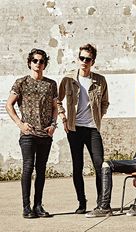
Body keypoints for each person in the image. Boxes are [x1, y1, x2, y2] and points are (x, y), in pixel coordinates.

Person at [5, 49, 58, 218]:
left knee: (41, 170)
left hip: (45, 134)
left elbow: (55, 107)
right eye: (35, 60)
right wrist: (20, 124)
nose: (38, 64)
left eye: (41, 61)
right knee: (28, 168)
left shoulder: (51, 84)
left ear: (45, 64)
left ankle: (38, 206)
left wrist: (53, 125)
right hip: (28, 134)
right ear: (30, 62)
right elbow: (9, 105)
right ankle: (26, 207)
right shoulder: (21, 83)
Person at [57, 43, 109, 214]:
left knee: (100, 165)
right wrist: (63, 117)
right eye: (82, 58)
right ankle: (82, 202)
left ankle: (102, 203)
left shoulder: (100, 80)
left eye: (88, 59)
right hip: (74, 129)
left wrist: (97, 118)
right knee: (77, 167)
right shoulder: (68, 79)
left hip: (93, 129)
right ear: (78, 58)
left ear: (93, 61)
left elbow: (104, 102)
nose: (84, 61)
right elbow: (57, 100)